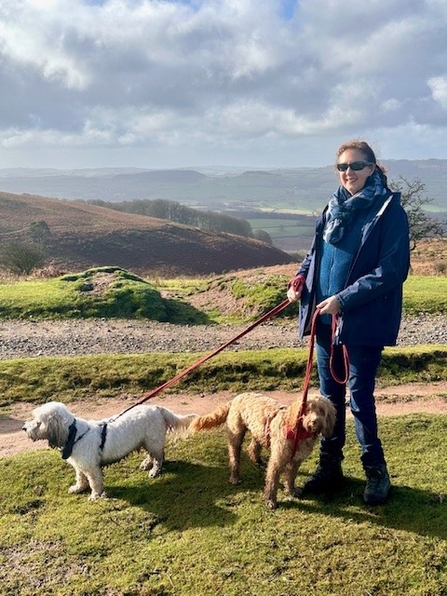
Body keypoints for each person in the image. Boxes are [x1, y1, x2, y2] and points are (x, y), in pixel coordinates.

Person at [287, 139, 410, 505]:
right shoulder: (333, 206)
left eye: (356, 166)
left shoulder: (389, 212)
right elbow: (315, 254)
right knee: (329, 400)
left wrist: (344, 299)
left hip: (362, 322)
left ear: (373, 167)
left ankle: (376, 472)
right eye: (342, 167)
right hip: (325, 322)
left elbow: (391, 270)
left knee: (358, 398)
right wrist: (300, 279)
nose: (348, 173)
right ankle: (331, 468)